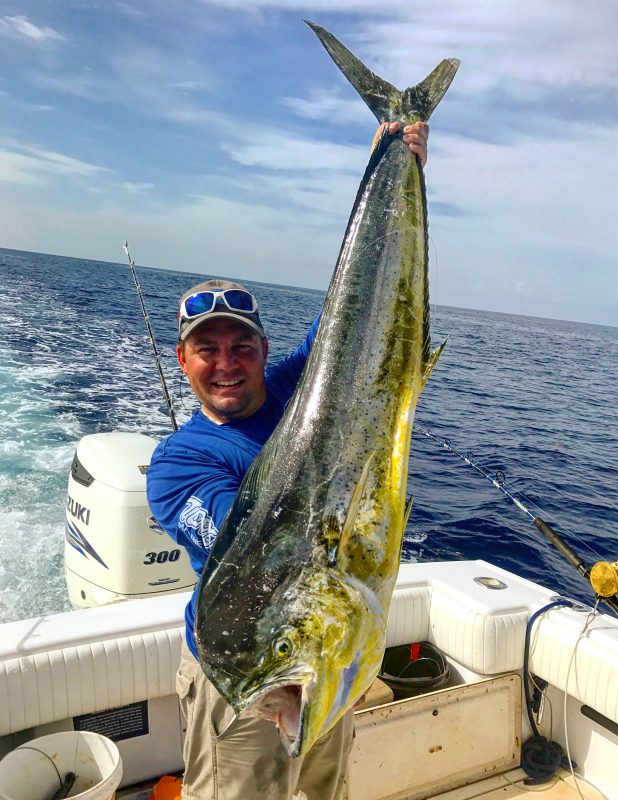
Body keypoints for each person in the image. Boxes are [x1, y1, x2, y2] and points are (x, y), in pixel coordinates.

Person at [147, 120, 429, 800]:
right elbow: (250, 550)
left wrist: (390, 169)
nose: (226, 364)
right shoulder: (178, 465)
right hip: (248, 681)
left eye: (241, 346)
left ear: (264, 351)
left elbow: (354, 315)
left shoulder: (294, 386)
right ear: (182, 360)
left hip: (326, 659)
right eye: (206, 349)